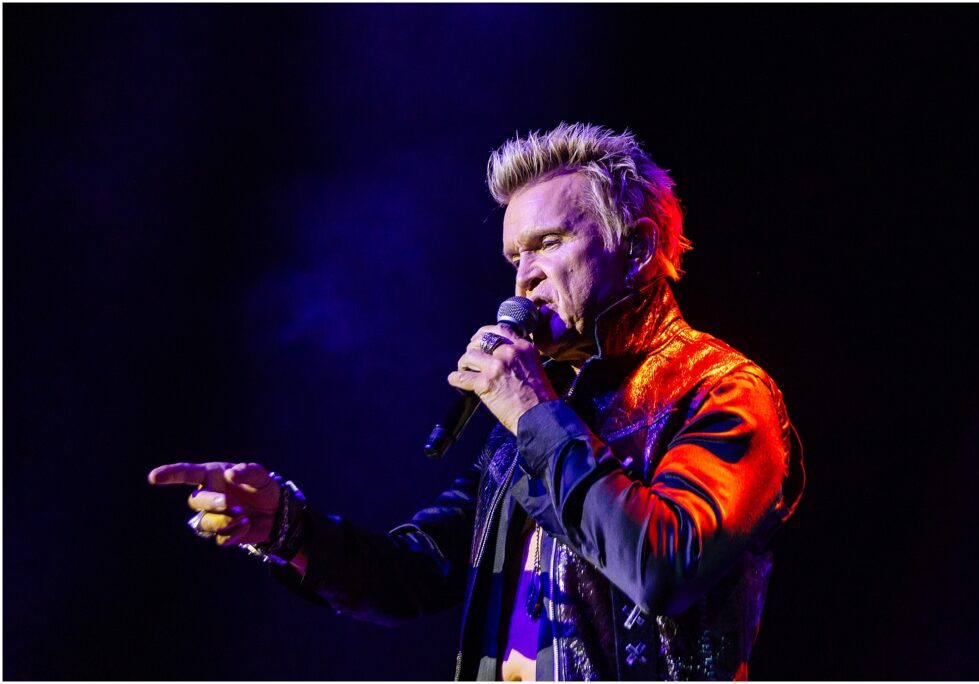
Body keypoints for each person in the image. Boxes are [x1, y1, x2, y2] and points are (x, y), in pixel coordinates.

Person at [149, 122, 804, 681]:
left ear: (634, 249)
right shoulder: (543, 413)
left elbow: (662, 565)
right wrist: (287, 528)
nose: (525, 276)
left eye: (549, 243)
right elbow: (417, 570)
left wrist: (533, 412)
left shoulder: (720, 391)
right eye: (514, 256)